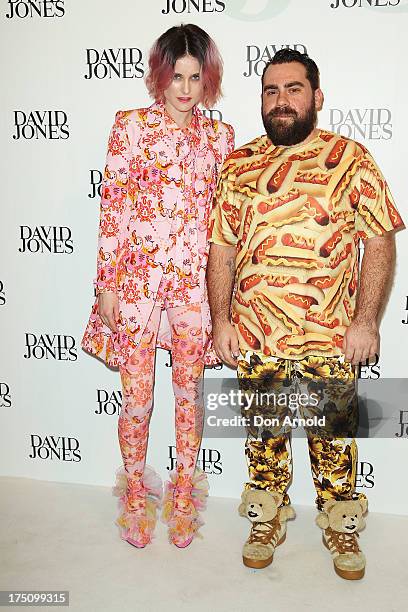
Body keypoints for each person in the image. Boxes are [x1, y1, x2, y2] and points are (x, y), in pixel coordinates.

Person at [206, 48, 404, 578]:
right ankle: (267, 517)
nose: (281, 101)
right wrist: (222, 320)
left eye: (293, 89)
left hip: (331, 335)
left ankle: (341, 526)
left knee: (332, 439)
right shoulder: (239, 165)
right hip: (254, 333)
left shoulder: (351, 159)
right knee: (263, 438)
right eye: (271, 91)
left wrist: (366, 322)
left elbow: (379, 240)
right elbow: (221, 249)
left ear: (316, 97)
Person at [82, 23, 234, 550]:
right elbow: (114, 210)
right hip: (137, 284)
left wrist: (225, 293)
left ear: (207, 78)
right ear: (160, 76)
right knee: (137, 398)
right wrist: (105, 283)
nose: (185, 89)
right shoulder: (129, 128)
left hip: (193, 288)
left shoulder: (220, 137)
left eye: (195, 77)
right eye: (176, 76)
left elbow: (223, 223)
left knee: (189, 395)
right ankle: (134, 496)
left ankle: (185, 496)